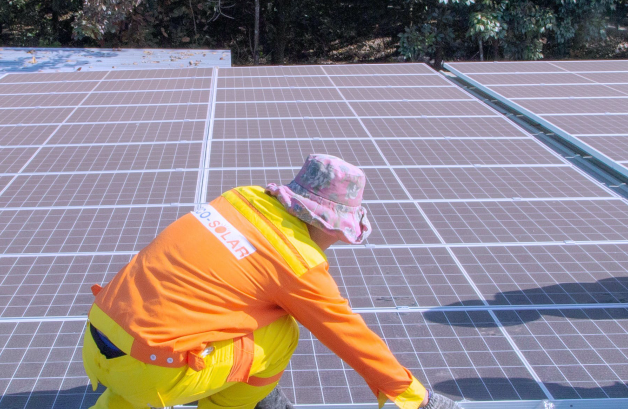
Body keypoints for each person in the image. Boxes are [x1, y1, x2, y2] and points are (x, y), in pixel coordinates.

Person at [82, 154, 460, 409]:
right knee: (280, 331)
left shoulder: (240, 197)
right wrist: (416, 398)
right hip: (152, 368)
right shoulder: (298, 261)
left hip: (99, 335)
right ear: (326, 223)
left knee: (223, 313)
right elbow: (350, 337)